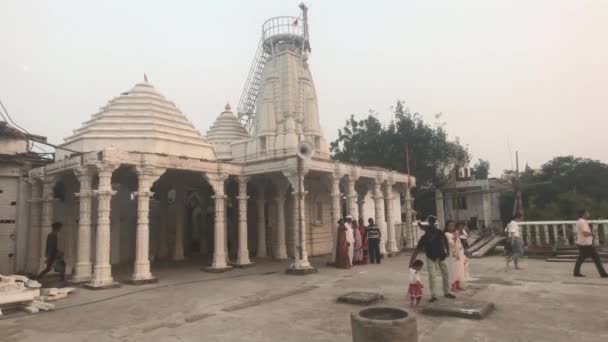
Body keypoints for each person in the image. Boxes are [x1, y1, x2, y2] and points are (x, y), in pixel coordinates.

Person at [409, 215, 455, 302]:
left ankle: (447, 292)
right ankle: (434, 295)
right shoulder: (424, 237)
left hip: (441, 256)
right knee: (432, 276)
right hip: (431, 257)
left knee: (445, 274)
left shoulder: (438, 232)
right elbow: (417, 250)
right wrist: (411, 262)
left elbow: (445, 241)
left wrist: (447, 250)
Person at [573, 209, 608, 278]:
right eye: (587, 212)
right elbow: (585, 233)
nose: (588, 213)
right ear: (583, 214)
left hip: (582, 243)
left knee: (581, 258)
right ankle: (603, 274)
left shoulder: (579, 221)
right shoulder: (583, 222)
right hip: (585, 244)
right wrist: (592, 234)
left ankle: (576, 272)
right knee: (596, 258)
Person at [445, 221, 466, 291]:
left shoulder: (455, 233)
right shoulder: (447, 234)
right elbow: (451, 243)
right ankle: (453, 286)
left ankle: (458, 285)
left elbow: (459, 242)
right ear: (447, 227)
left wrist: (462, 253)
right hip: (453, 253)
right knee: (453, 270)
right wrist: (455, 237)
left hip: (459, 253)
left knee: (459, 269)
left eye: (452, 225)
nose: (451, 227)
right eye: (450, 225)